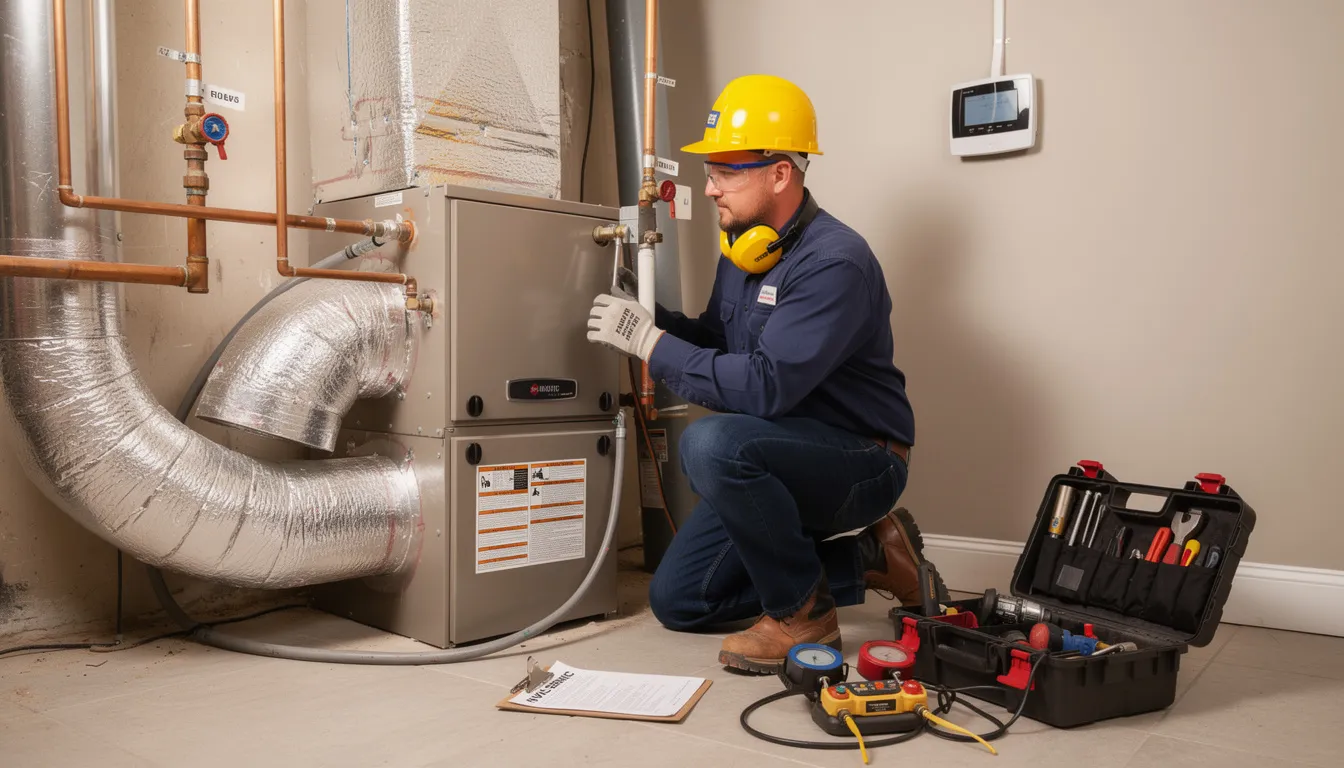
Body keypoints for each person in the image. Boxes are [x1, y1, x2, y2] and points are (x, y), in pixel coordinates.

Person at [585, 74, 938, 674]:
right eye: (710, 170)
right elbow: (721, 340)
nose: (711, 188)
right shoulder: (746, 250)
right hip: (779, 455)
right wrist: (650, 318)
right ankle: (872, 556)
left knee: (710, 442)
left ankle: (802, 614)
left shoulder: (835, 263)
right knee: (680, 600)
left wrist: (649, 344)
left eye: (726, 171)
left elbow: (766, 385)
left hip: (861, 457)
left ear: (780, 173)